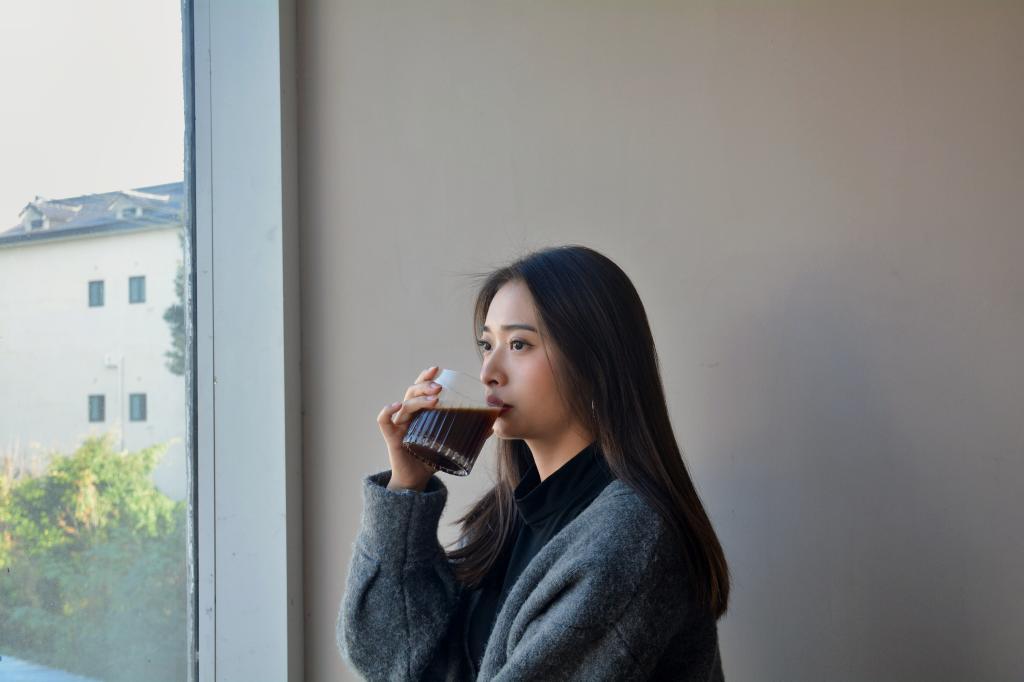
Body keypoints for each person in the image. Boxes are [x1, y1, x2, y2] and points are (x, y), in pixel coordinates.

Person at [338, 244, 729, 681]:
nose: (488, 371)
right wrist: (406, 486)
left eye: (519, 344)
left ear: (594, 363)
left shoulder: (630, 538)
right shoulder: (503, 519)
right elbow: (389, 657)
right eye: (487, 344)